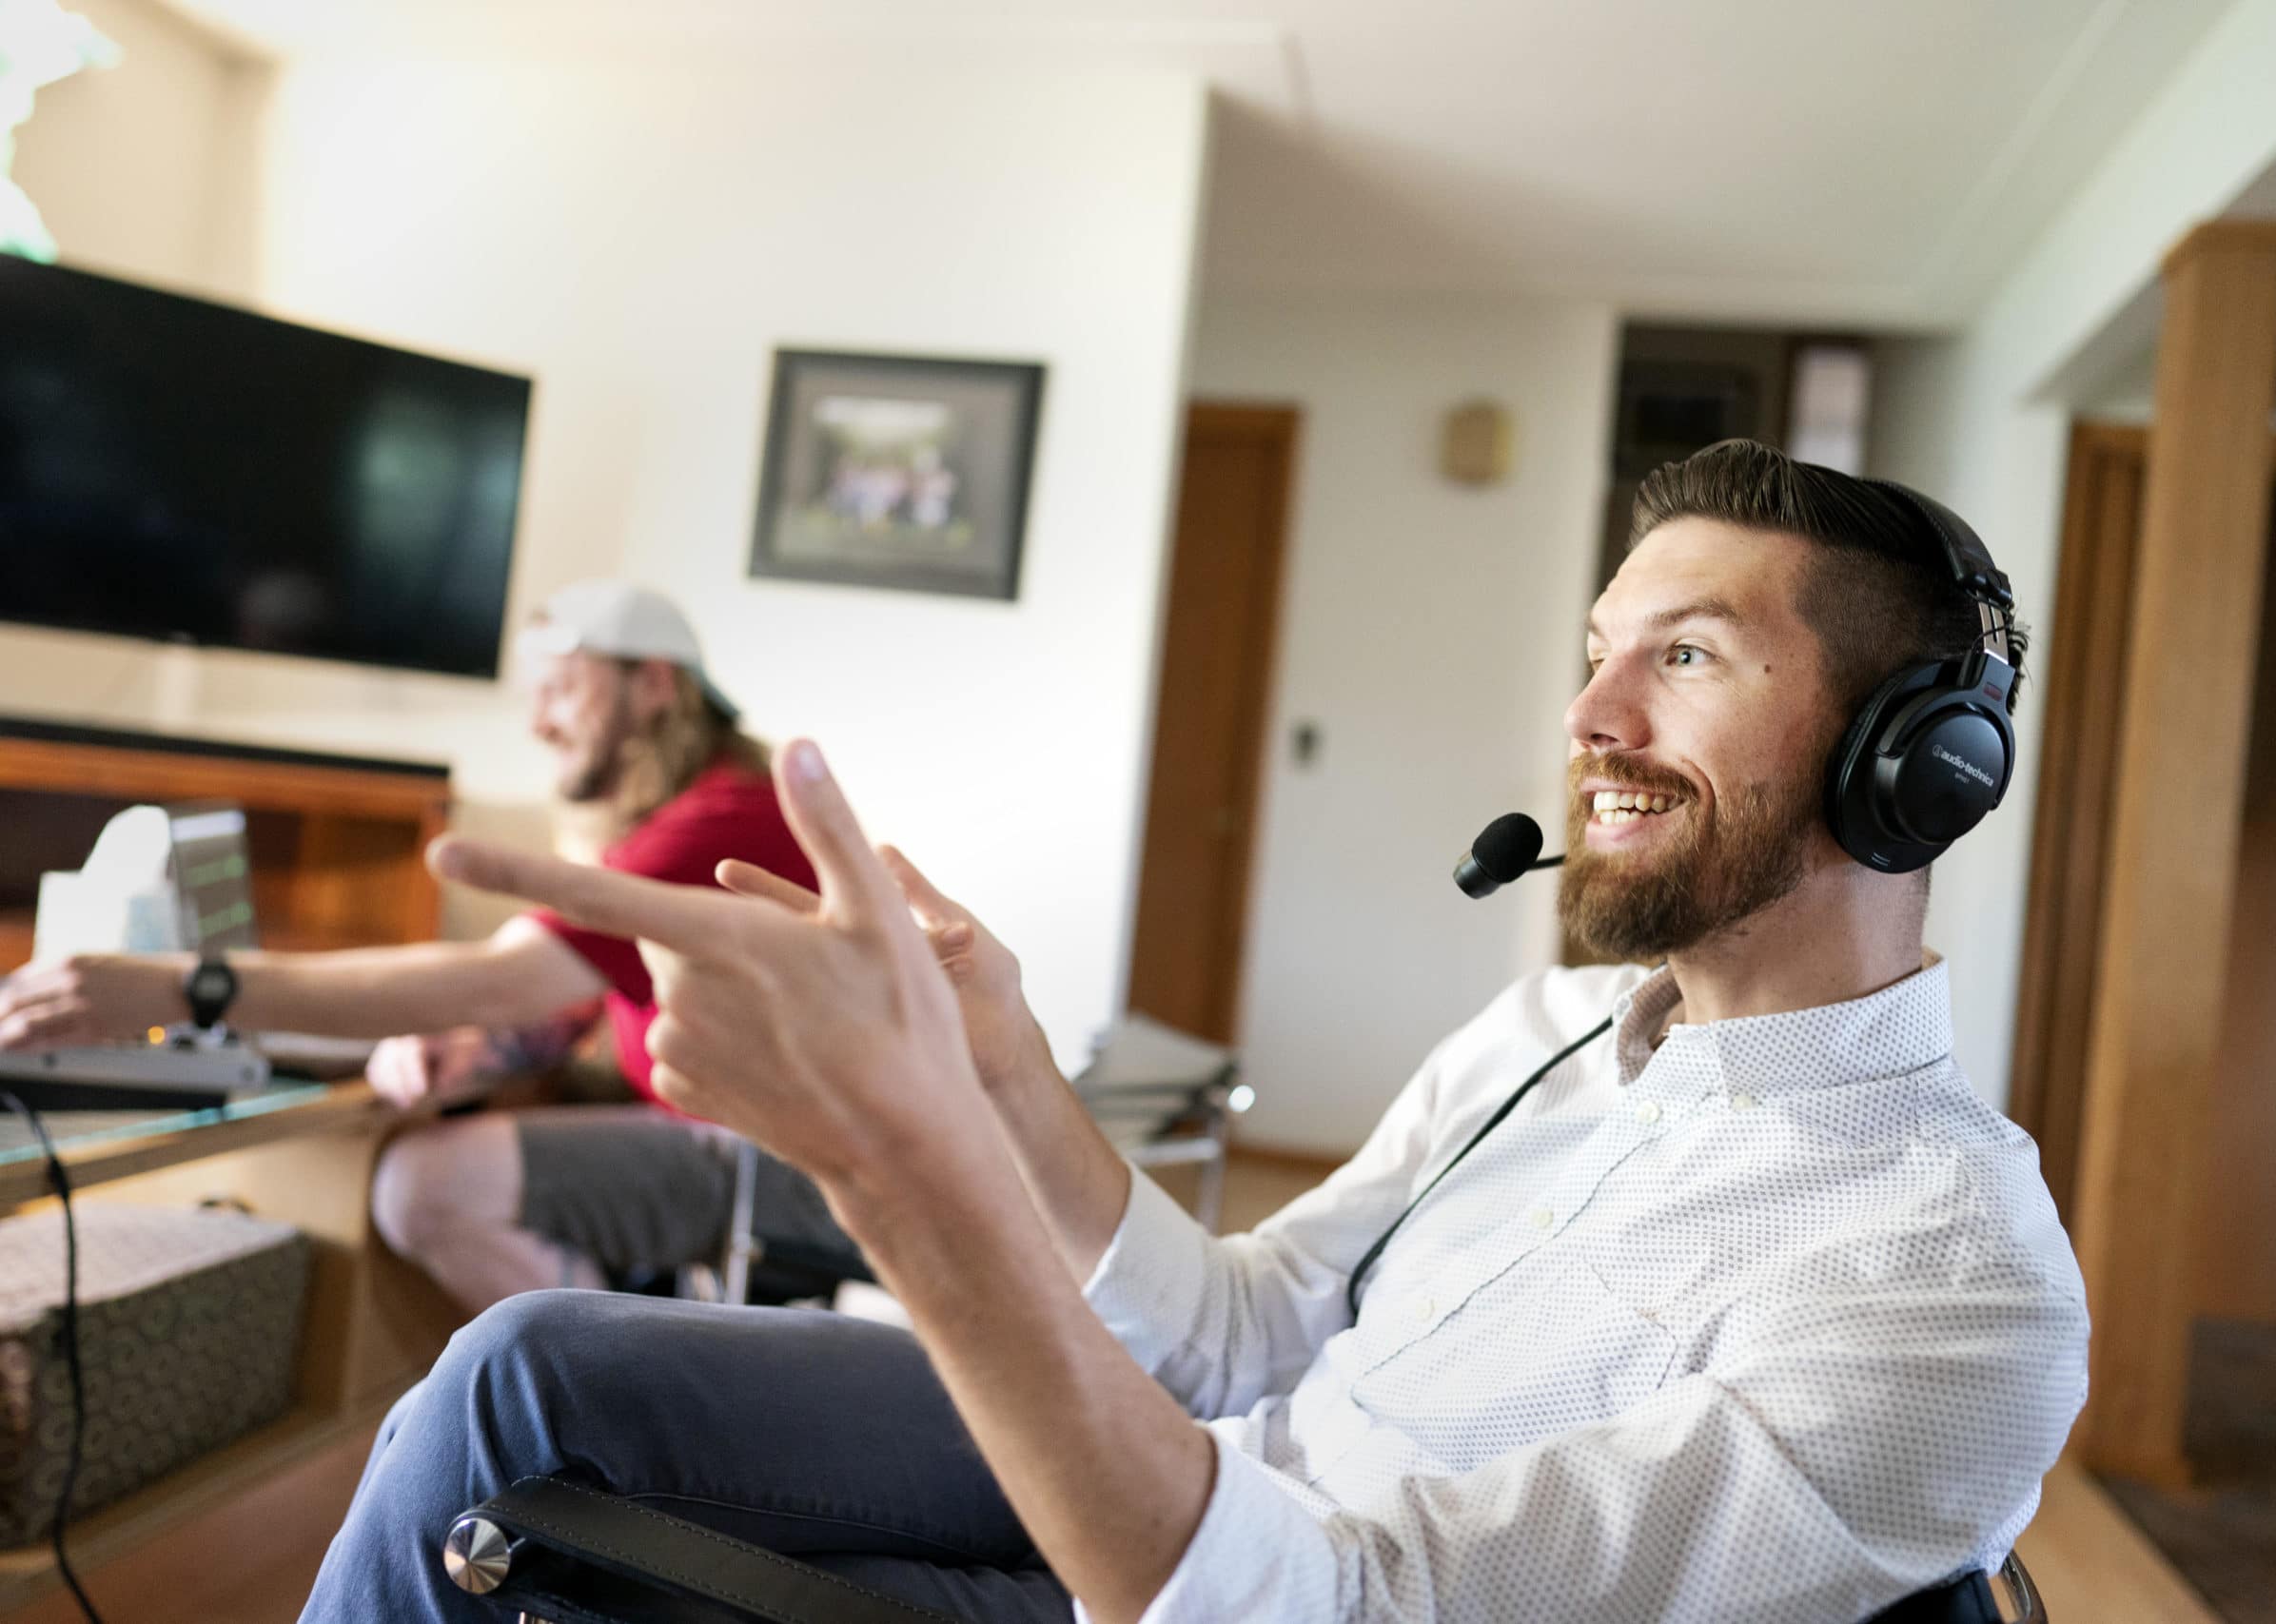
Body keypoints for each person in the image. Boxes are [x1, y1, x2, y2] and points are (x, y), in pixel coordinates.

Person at [300, 442, 2089, 1623]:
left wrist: (898, 1161)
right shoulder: (1545, 1029)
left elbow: (1342, 1612)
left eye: (1685, 659)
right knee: (531, 1366)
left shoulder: (1947, 1279)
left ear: (1915, 766)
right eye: (1599, 649)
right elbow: (1241, 1329)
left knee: (530, 1517)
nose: (1588, 715)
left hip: (1226, 1585)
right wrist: (991, 1054)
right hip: (1216, 1470)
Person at [0, 579, 857, 1312]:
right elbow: (583, 990)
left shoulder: (719, 820)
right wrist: (479, 1042)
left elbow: (498, 976)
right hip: (750, 1142)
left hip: (779, 1163)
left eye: (561, 689)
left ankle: (622, 1409)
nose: (539, 723)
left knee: (426, 1187)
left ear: (655, 684)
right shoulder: (703, 811)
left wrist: (188, 985)